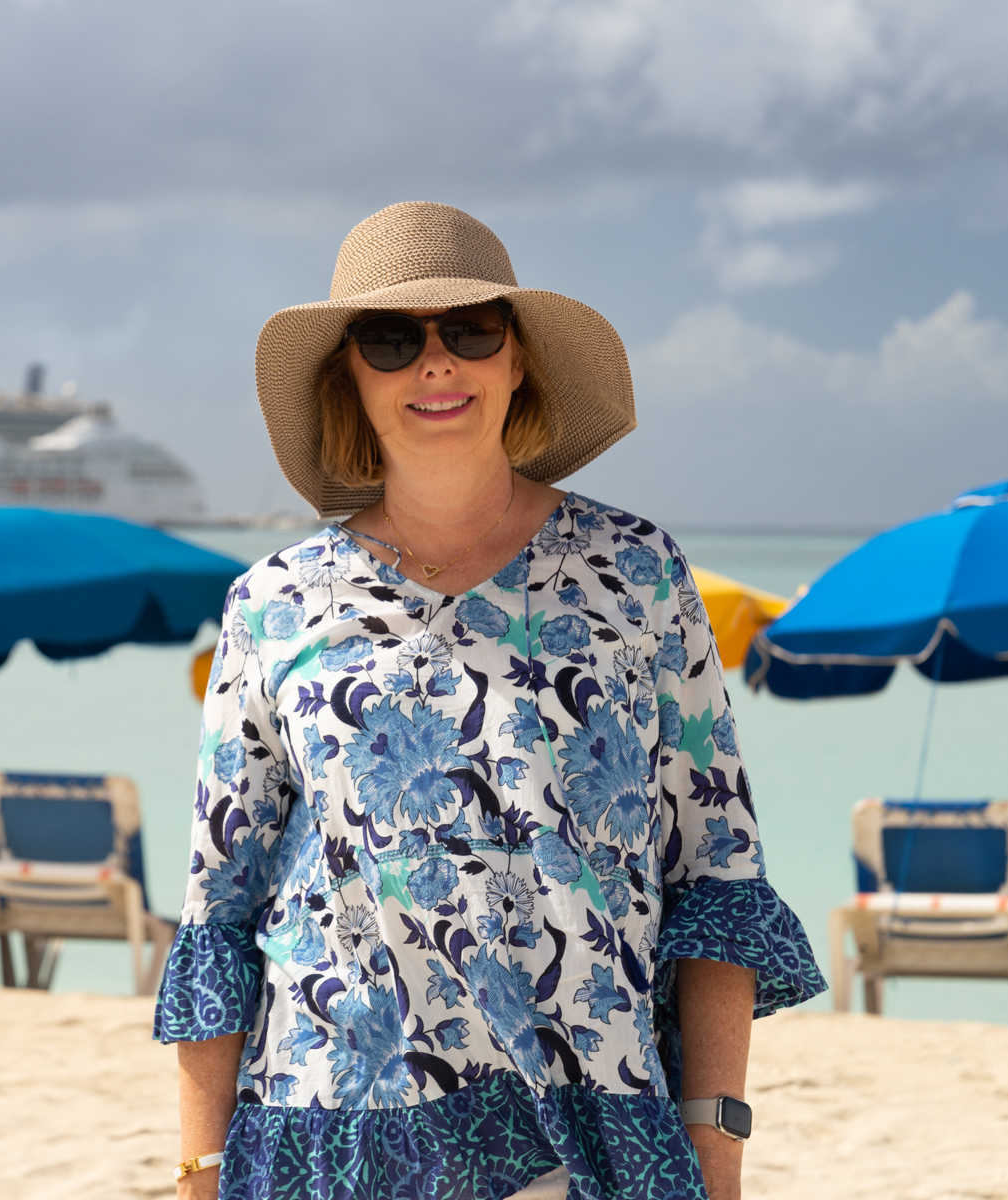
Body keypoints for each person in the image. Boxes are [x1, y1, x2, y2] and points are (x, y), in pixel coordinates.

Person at [155, 203, 824, 1200]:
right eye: (392, 340)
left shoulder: (637, 574)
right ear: (352, 377)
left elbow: (715, 872)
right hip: (331, 1131)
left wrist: (716, 1141)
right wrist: (201, 1168)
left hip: (590, 1122)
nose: (436, 363)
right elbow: (223, 904)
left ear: (518, 363)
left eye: (471, 330)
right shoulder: (272, 605)